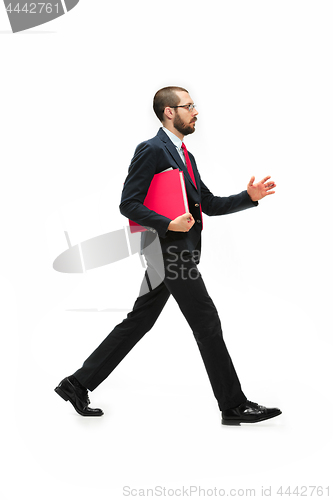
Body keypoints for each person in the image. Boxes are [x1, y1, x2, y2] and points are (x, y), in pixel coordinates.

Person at [55, 86, 282, 425]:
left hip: (177, 254)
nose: (196, 111)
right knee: (206, 321)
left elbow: (209, 204)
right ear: (169, 112)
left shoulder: (187, 156)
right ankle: (233, 405)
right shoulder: (151, 150)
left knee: (139, 322)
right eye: (188, 106)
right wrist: (168, 224)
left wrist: (248, 197)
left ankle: (76, 384)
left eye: (194, 105)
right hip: (169, 253)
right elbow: (128, 203)